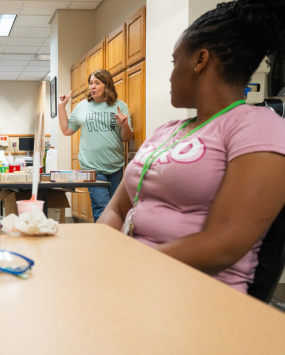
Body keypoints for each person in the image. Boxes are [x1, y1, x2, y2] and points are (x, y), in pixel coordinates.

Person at [98, 0, 285, 293]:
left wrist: (130, 269)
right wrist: (102, 261)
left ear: (200, 60)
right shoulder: (166, 131)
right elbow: (116, 209)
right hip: (132, 279)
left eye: (175, 62)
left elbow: (222, 244)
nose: (171, 75)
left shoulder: (258, 127)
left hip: (198, 295)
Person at [58, 69, 133, 221]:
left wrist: (124, 125)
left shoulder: (120, 106)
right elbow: (66, 130)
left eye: (97, 83)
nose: (92, 87)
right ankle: (104, 242)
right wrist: (61, 107)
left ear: (107, 86)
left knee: (115, 208)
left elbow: (126, 138)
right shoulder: (82, 107)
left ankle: (115, 242)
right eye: (91, 83)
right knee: (102, 208)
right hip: (91, 166)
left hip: (116, 165)